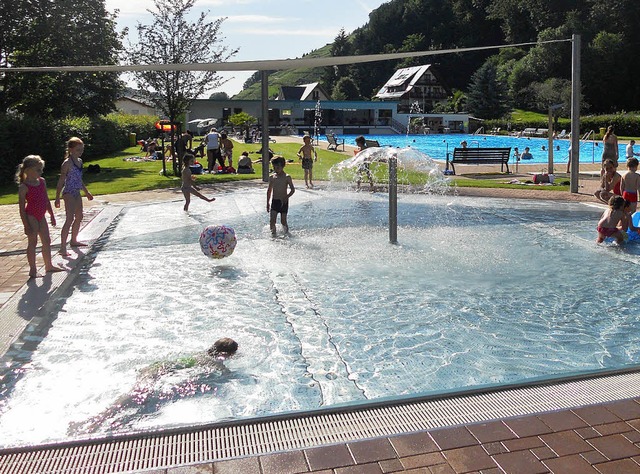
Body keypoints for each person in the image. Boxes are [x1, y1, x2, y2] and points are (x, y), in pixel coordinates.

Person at [69, 338, 239, 435]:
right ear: (226, 354)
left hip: (154, 368)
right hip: (155, 374)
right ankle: (92, 427)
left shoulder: (201, 355)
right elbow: (227, 375)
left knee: (135, 402)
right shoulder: (214, 363)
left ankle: (91, 423)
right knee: (137, 402)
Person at [16, 155, 65, 278]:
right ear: (28, 170)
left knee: (47, 240)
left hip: (41, 215)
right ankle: (33, 269)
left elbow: (46, 200)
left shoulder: (42, 181)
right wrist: (26, 225)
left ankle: (48, 265)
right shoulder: (24, 187)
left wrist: (52, 215)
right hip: (31, 216)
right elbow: (22, 209)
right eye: (38, 169)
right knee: (33, 242)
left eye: (41, 169)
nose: (41, 172)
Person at [54, 137, 93, 256]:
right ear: (70, 150)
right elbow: (61, 180)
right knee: (69, 218)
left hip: (77, 192)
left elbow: (79, 179)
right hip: (69, 193)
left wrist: (86, 192)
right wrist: (57, 197)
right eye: (77, 150)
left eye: (81, 150)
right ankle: (62, 248)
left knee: (79, 216)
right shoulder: (67, 163)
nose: (80, 152)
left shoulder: (80, 161)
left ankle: (74, 240)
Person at [267, 156, 295, 237]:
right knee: (272, 221)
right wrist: (267, 203)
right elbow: (269, 191)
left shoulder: (287, 177)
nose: (276, 169)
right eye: (274, 167)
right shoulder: (272, 177)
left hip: (284, 201)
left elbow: (292, 190)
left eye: (278, 167)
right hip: (275, 201)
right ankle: (273, 235)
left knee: (283, 221)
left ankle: (287, 234)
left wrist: (287, 197)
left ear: (282, 166)